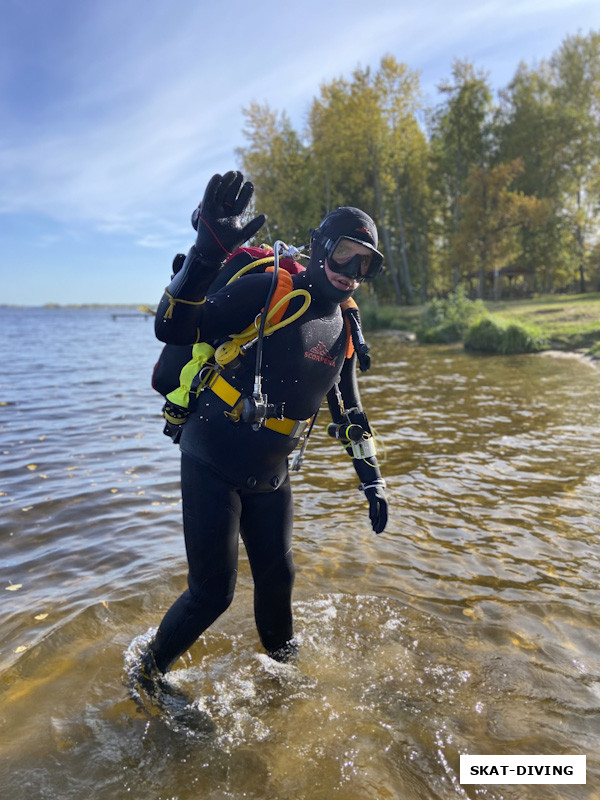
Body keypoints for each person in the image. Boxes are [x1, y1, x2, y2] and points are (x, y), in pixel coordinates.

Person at [140, 170, 388, 685]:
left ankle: (286, 682)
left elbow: (349, 412)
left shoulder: (344, 324)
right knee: (213, 594)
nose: (353, 269)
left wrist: (373, 481)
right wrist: (204, 254)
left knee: (279, 579)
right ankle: (146, 676)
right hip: (212, 458)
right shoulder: (268, 289)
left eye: (366, 261)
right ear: (320, 248)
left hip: (272, 477)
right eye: (345, 252)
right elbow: (173, 327)